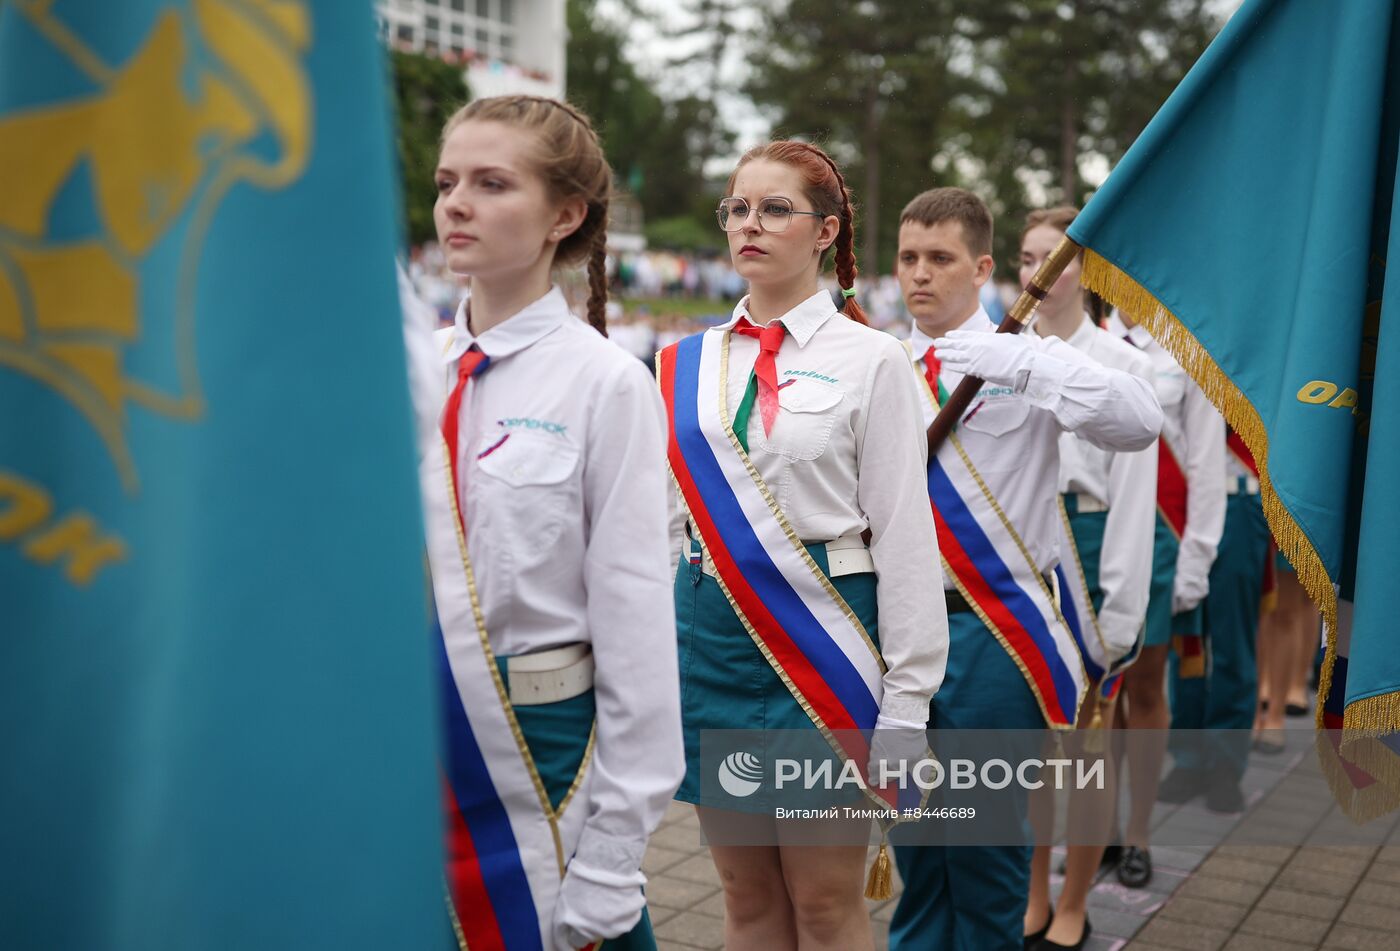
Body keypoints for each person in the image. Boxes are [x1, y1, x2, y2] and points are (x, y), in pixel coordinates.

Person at [409, 95, 684, 951]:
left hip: (537, 748)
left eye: (493, 183)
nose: (456, 202)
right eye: (448, 181)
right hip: (409, 738)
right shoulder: (413, 370)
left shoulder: (604, 382)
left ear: (566, 214)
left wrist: (614, 850)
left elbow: (636, 622)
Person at [659, 140, 947, 951]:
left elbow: (904, 534)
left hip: (822, 637)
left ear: (826, 232)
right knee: (745, 899)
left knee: (823, 903)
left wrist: (908, 700)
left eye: (774, 209)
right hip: (712, 639)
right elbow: (667, 523)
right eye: (738, 208)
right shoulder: (683, 363)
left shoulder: (874, 359)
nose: (750, 224)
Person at [888, 188, 1162, 951]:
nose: (920, 274)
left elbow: (1138, 423)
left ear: (981, 268)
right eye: (909, 257)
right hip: (901, 635)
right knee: (915, 846)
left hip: (993, 634)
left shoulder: (1032, 356)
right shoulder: (877, 363)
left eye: (940, 258)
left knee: (985, 851)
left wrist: (1029, 364)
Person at [1019, 207, 1158, 951]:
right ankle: (1035, 894)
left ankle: (1075, 900)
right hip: (1026, 553)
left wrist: (1119, 609)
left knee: (1089, 750)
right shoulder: (1007, 355)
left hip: (1093, 546)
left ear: (1087, 271)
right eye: (1025, 256)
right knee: (1038, 748)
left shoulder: (1124, 366)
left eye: (1055, 257)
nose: (1037, 272)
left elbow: (1134, 503)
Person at [1101, 295, 1226, 883]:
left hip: (1160, 539)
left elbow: (1203, 463)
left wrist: (1196, 558)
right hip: (1094, 536)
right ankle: (1095, 824)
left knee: (1144, 690)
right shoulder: (1087, 346)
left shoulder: (1186, 353)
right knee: (1095, 701)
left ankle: (1138, 834)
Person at [1164, 427, 1270, 812]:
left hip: (1238, 497)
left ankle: (1226, 764)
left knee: (1233, 645)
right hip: (1184, 501)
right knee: (1185, 642)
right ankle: (1188, 758)